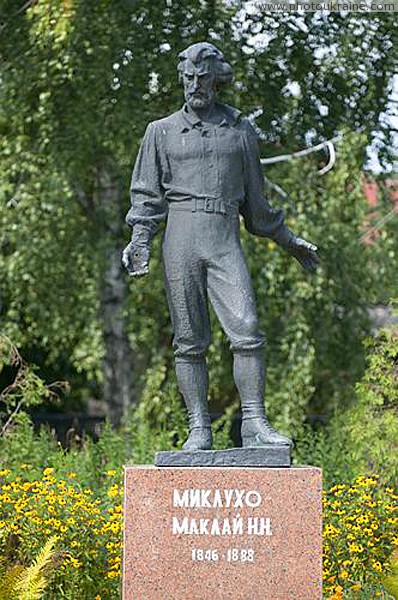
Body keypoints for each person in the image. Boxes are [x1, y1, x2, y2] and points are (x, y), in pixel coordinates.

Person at [122, 42, 319, 451]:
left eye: (203, 77)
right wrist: (140, 239)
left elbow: (258, 208)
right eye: (189, 78)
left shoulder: (239, 131)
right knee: (189, 339)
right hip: (180, 236)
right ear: (181, 79)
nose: (195, 85)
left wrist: (290, 241)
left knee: (247, 329)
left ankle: (254, 422)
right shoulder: (160, 131)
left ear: (217, 80)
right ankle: (199, 428)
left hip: (224, 236)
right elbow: (146, 197)